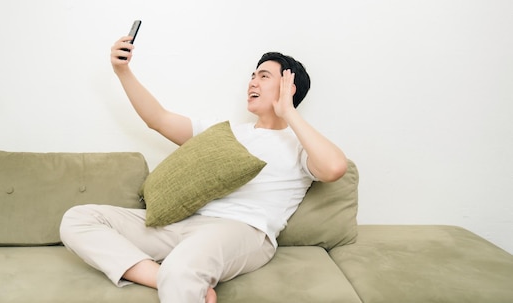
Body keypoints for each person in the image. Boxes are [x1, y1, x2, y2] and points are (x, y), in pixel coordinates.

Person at [59, 35, 347, 303]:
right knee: (79, 218)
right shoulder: (224, 133)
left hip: (241, 230)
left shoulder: (300, 144)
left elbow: (334, 168)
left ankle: (177, 274)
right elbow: (158, 119)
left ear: (288, 87)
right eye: (252, 76)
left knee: (181, 268)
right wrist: (122, 72)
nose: (252, 83)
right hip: (184, 222)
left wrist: (289, 112)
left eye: (264, 76)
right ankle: (163, 276)